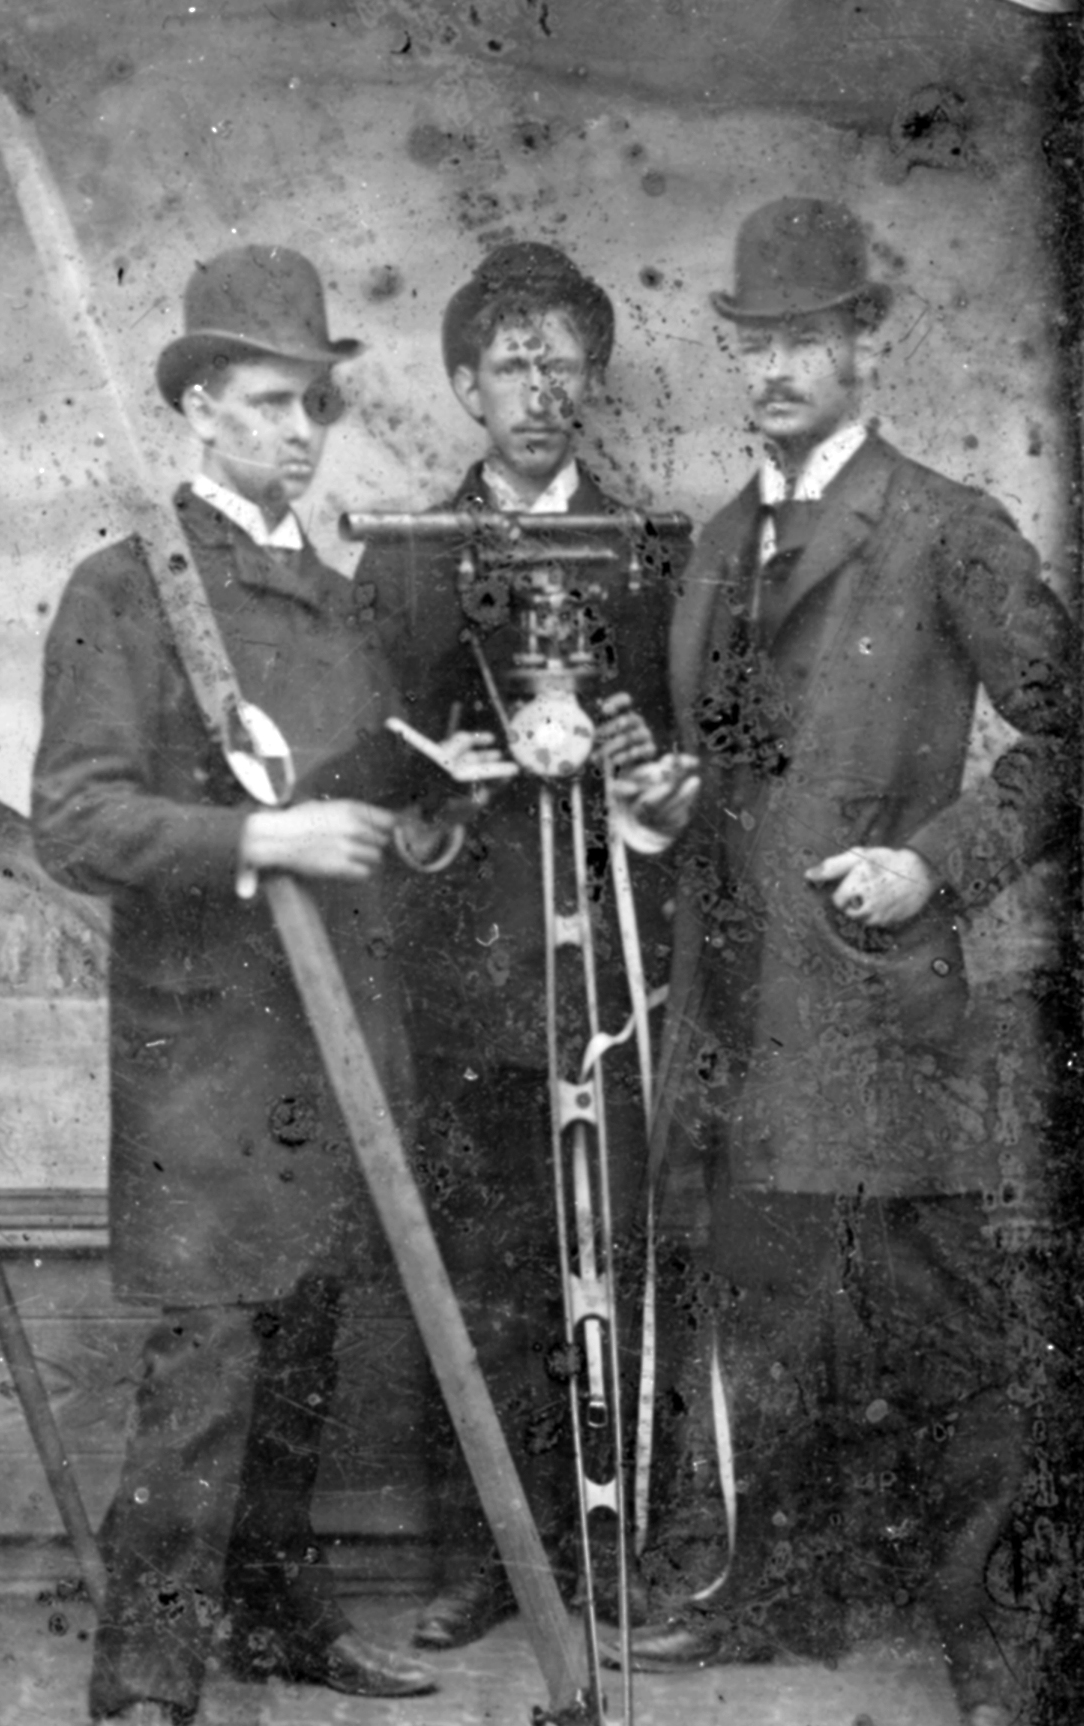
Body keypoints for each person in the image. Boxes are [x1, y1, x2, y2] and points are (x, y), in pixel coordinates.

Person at [32, 244, 505, 1726]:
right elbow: (77, 820)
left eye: (315, 404)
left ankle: (280, 1617)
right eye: (267, 403)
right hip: (208, 1053)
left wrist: (408, 828)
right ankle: (143, 1684)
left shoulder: (339, 592)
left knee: (308, 1343)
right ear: (195, 415)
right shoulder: (131, 590)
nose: (300, 432)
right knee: (211, 1366)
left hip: (339, 1037)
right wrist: (261, 841)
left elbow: (355, 791)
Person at [625, 197, 1077, 1726]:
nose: (772, 369)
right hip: (737, 1021)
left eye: (804, 339)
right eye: (750, 342)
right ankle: (755, 1597)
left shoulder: (947, 525)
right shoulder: (715, 538)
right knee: (759, 1329)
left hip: (883, 1017)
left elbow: (1063, 734)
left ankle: (1018, 1680)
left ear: (864, 344)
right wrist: (670, 797)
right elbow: (746, 772)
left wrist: (934, 867)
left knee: (958, 1358)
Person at [354, 242, 686, 1650]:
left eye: (563, 363)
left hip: (611, 974)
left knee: (611, 1251)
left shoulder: (660, 553)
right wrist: (439, 791)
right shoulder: (403, 558)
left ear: (592, 381)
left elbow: (701, 750)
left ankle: (615, 1549)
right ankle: (493, 1553)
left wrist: (643, 766)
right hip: (466, 974)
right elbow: (372, 756)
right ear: (463, 386)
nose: (540, 391)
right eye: (511, 365)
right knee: (484, 1259)